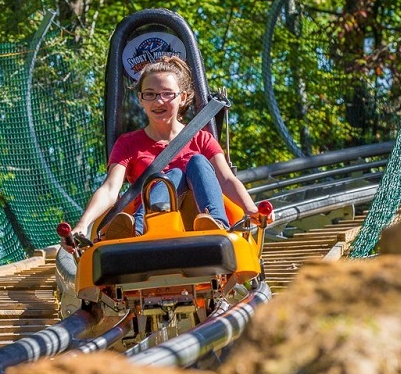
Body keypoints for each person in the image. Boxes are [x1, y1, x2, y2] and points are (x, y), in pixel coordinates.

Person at [63, 56, 268, 251]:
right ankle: (140, 229)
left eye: (167, 94)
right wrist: (83, 224)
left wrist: (251, 209)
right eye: (150, 94)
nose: (158, 101)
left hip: (196, 216)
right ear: (141, 99)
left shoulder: (201, 139)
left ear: (183, 98)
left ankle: (215, 224)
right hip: (155, 221)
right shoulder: (128, 144)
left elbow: (226, 179)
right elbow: (110, 189)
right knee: (170, 176)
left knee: (195, 162)